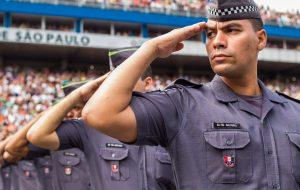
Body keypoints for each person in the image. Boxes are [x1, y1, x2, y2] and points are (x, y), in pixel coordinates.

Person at [82, 0, 300, 189]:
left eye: (232, 30)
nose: (218, 41)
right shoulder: (183, 105)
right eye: (211, 33)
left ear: (260, 40)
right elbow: (98, 114)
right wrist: (152, 49)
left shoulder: (294, 112)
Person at [27, 47, 176, 190]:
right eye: (116, 77)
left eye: (130, 74)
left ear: (148, 82)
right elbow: (37, 135)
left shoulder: (168, 124)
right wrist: (76, 96)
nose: (121, 82)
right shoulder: (91, 125)